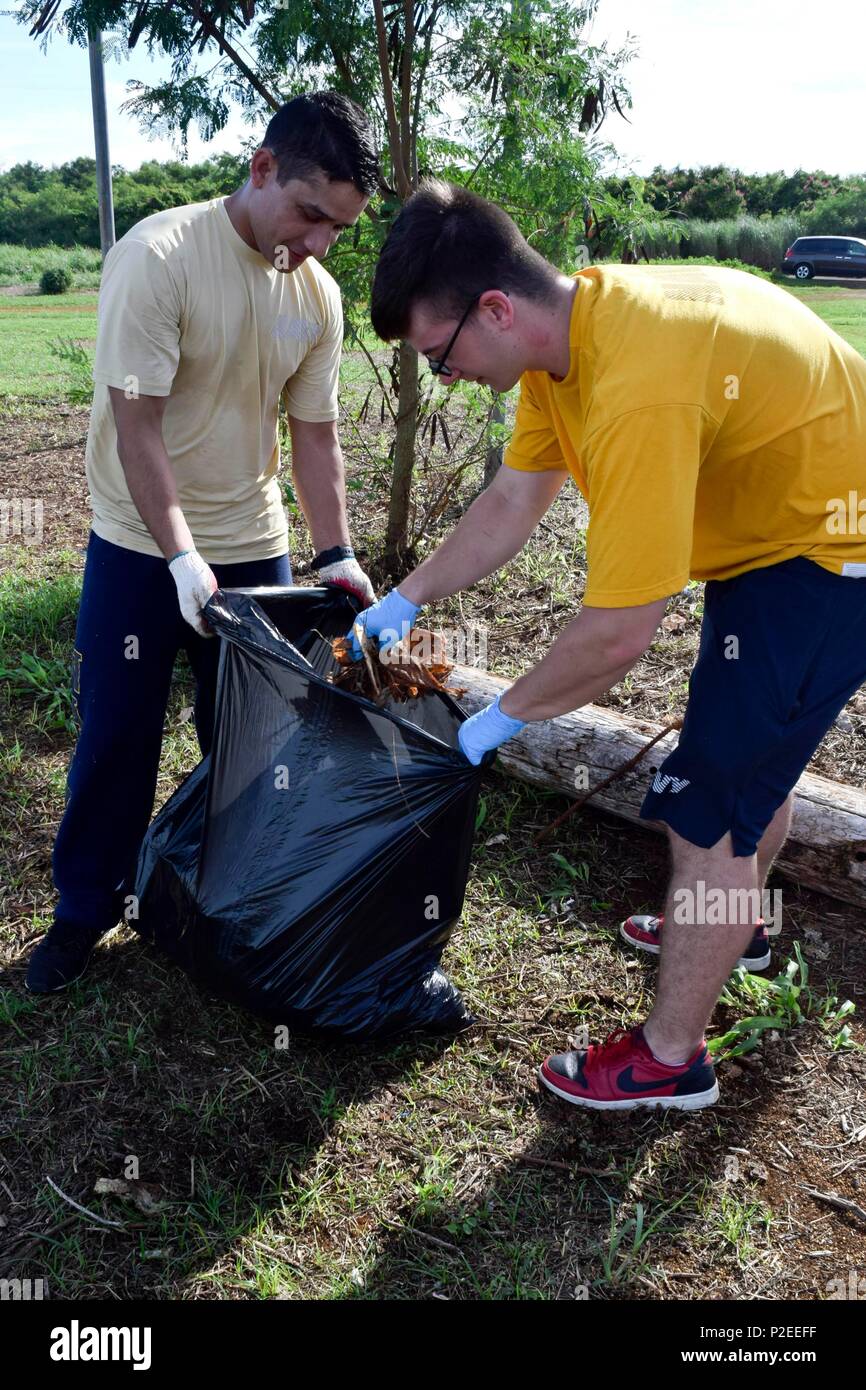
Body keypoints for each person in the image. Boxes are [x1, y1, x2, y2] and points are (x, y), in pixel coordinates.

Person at [351, 178, 866, 1111]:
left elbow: (621, 632)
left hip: (835, 553)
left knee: (703, 808)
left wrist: (493, 724)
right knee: (752, 771)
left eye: (438, 355)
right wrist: (407, 596)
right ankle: (735, 926)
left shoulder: (637, 385)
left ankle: (671, 1060)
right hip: (780, 534)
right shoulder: (566, 350)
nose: (445, 375)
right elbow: (512, 500)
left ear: (494, 309)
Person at [27, 92, 379, 994]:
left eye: (337, 227)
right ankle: (82, 913)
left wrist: (333, 550)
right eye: (308, 214)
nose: (316, 243)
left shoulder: (317, 295)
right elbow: (136, 423)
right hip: (140, 548)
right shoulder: (160, 256)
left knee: (256, 749)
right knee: (117, 737)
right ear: (261, 169)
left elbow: (314, 436)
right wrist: (183, 556)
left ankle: (224, 908)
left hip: (255, 548)